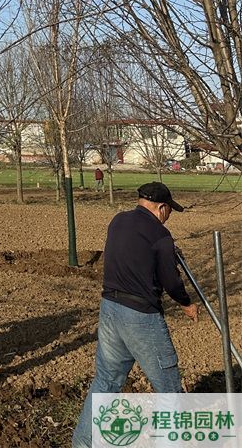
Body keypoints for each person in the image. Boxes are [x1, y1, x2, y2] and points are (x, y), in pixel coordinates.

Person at [72, 181, 199, 448]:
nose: (169, 216)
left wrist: (166, 254)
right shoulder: (160, 236)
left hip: (109, 309)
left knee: (106, 382)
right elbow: (171, 281)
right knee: (170, 391)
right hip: (140, 317)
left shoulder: (118, 221)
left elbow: (131, 255)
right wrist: (186, 304)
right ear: (162, 208)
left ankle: (82, 444)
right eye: (170, 211)